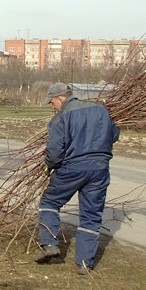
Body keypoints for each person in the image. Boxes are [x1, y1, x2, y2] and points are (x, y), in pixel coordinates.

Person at [35, 82, 120, 275]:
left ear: (60, 98)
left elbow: (55, 151)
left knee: (49, 202)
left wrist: (50, 166)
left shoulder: (61, 118)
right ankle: (85, 263)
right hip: (100, 169)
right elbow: (114, 135)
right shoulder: (100, 109)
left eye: (52, 102)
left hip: (73, 168)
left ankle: (49, 244)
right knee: (91, 215)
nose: (52, 107)